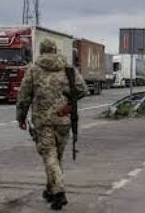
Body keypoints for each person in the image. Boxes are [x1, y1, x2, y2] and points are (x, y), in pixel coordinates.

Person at [16, 39, 88, 210]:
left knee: (49, 156)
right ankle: (50, 190)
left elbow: (24, 96)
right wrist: (69, 105)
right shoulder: (68, 69)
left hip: (43, 121)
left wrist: (21, 117)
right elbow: (83, 90)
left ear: (41, 51)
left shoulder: (33, 70)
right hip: (63, 120)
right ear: (55, 50)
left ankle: (59, 193)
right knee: (56, 158)